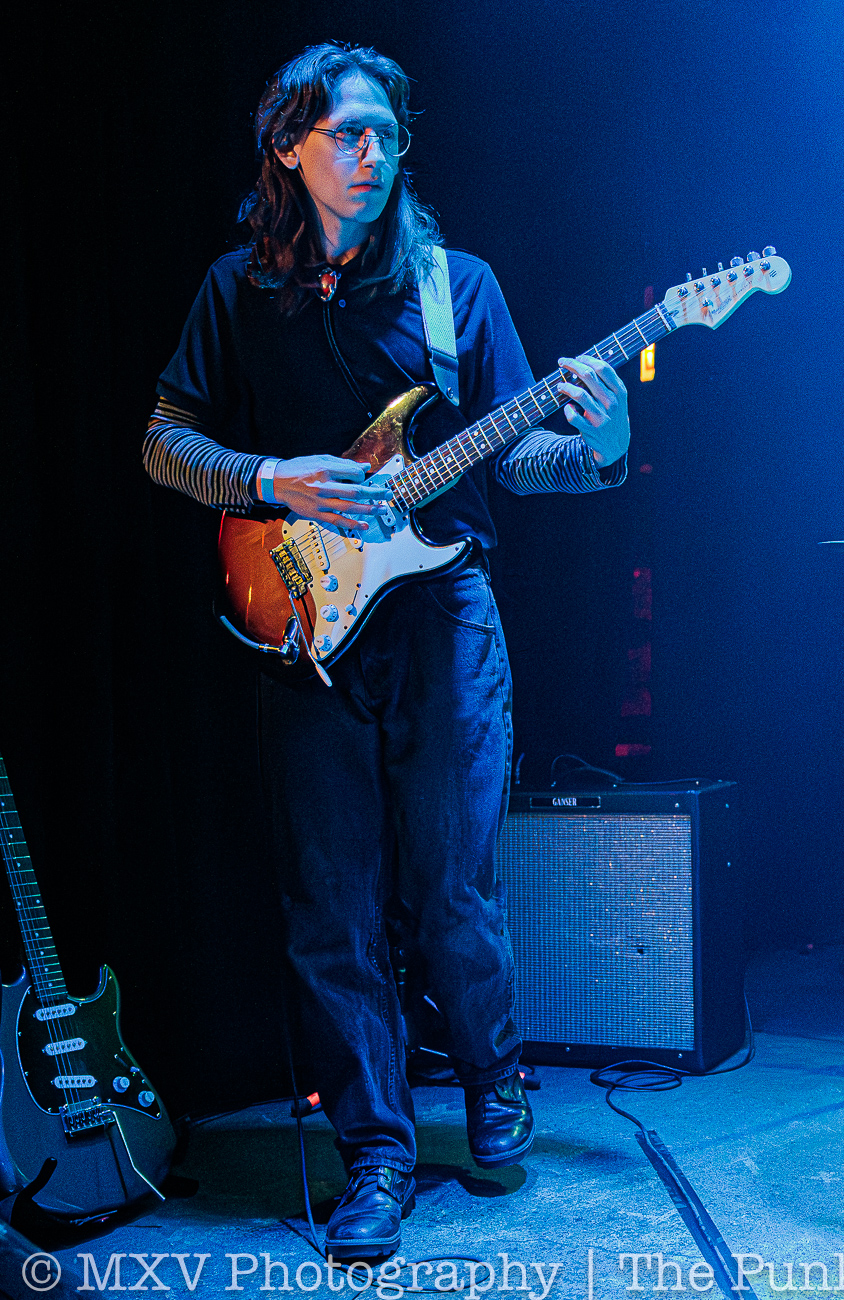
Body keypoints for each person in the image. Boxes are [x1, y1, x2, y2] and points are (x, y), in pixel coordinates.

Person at [144, 41, 630, 1260]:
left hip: (442, 610)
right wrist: (273, 479)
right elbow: (163, 440)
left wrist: (605, 444)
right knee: (331, 905)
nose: (370, 153)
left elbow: (520, 459)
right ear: (287, 147)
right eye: (344, 133)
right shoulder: (238, 290)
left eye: (385, 133)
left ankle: (492, 1079)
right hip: (306, 623)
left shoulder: (457, 285)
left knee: (453, 881)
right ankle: (374, 1149)